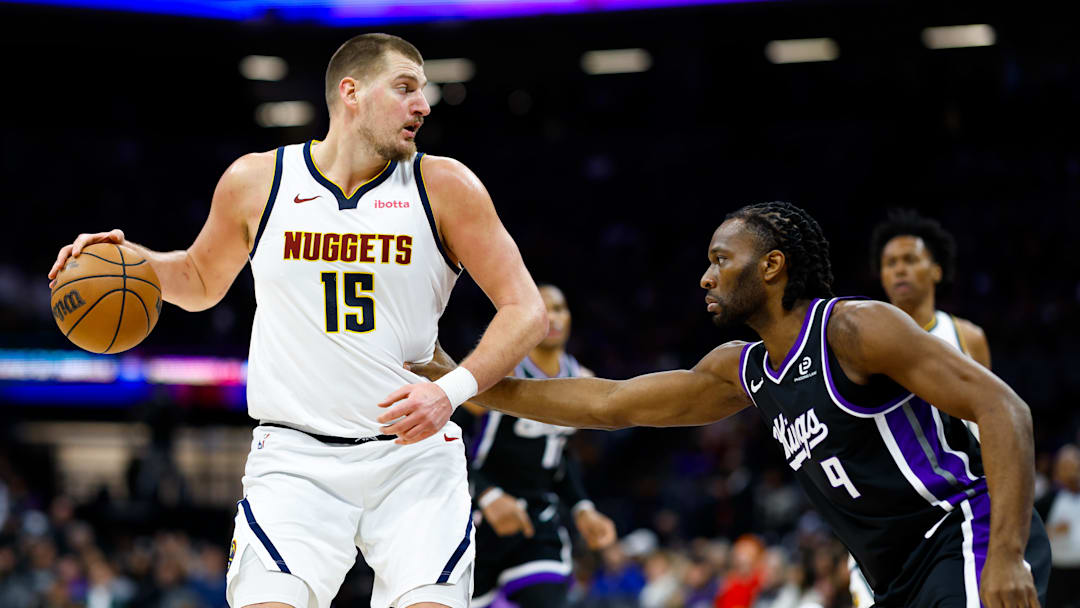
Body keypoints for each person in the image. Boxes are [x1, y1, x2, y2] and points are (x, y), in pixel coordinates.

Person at [47, 33, 548, 608]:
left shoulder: (447, 186)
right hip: (295, 459)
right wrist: (124, 260)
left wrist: (451, 391)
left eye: (425, 92)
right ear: (351, 92)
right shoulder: (257, 181)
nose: (424, 105)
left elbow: (526, 310)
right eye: (406, 88)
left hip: (415, 459)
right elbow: (200, 279)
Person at [393, 201, 1051, 607]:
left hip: (961, 533)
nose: (705, 276)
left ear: (770, 266)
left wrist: (1006, 554)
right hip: (891, 574)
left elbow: (1005, 411)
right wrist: (474, 384)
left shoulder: (855, 328)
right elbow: (610, 403)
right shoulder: (746, 370)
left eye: (720, 259)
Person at [842, 208, 996, 606]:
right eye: (890, 263)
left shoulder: (966, 336)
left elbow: (991, 419)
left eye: (910, 260)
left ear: (936, 271)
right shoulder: (863, 342)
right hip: (892, 510)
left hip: (959, 498)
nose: (899, 270)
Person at [460, 284, 616, 608]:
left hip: (537, 522)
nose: (554, 317)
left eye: (559, 308)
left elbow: (562, 455)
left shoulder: (582, 379)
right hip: (476, 517)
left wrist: (583, 507)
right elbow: (451, 441)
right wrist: (487, 494)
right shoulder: (501, 371)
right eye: (543, 309)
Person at [1035, 444, 1080, 608]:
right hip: (1057, 572)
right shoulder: (1048, 500)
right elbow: (1030, 532)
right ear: (1058, 471)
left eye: (1076, 466)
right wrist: (1052, 530)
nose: (1073, 472)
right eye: (1067, 467)